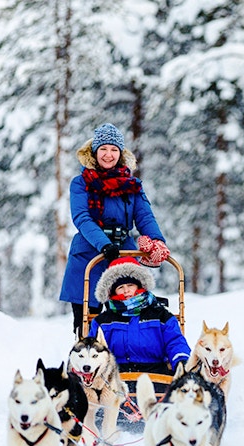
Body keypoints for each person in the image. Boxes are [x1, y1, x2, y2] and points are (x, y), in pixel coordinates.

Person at [59, 122, 170, 333]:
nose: (108, 155)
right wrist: (104, 244)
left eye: (113, 150)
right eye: (103, 149)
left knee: (124, 316)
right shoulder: (81, 183)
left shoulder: (132, 184)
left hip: (123, 253)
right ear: (94, 151)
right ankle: (86, 359)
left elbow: (144, 216)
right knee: (86, 323)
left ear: (120, 153)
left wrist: (157, 241)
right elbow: (82, 217)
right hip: (89, 254)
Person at [88, 256, 190, 375]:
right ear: (112, 291)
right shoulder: (103, 321)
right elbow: (92, 350)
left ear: (139, 285)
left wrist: (181, 362)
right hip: (115, 377)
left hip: (156, 374)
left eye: (130, 285)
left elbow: (175, 342)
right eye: (120, 287)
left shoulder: (160, 315)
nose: (126, 291)